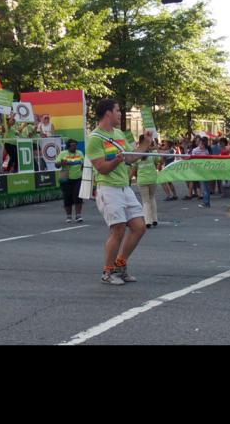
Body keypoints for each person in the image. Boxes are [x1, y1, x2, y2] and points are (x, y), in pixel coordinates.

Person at [86, 98, 153, 286]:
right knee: (118, 229)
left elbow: (130, 158)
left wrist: (146, 143)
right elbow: (101, 168)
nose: (120, 114)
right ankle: (108, 272)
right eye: (117, 110)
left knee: (139, 227)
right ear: (108, 113)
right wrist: (116, 160)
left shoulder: (118, 133)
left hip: (125, 187)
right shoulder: (95, 138)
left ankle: (120, 264)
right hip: (108, 189)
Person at [131, 135, 160, 228]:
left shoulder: (136, 154)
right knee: (152, 198)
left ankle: (148, 221)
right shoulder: (153, 153)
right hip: (153, 179)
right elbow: (159, 162)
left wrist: (129, 179)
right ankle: (155, 219)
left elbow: (134, 169)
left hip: (142, 180)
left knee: (145, 201)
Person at [55, 138, 84, 223]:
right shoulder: (63, 153)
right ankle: (69, 216)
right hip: (66, 179)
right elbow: (56, 165)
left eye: (75, 145)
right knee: (67, 197)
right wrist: (61, 163)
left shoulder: (80, 153)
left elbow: (83, 164)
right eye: (73, 146)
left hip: (77, 178)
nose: (75, 147)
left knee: (78, 196)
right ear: (68, 146)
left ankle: (78, 215)